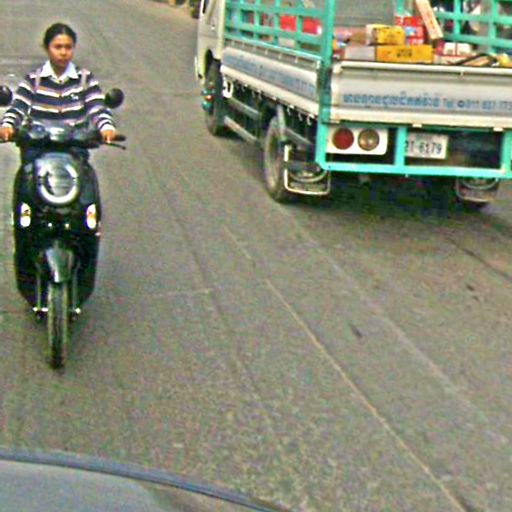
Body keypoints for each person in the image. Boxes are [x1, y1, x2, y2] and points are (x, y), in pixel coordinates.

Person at [0, 22, 116, 145]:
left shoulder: (85, 79)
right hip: (37, 146)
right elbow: (19, 107)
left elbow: (97, 107)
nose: (63, 52)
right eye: (58, 47)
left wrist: (106, 127)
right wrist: (8, 125)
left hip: (75, 147)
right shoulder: (34, 79)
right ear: (47, 48)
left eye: (68, 47)